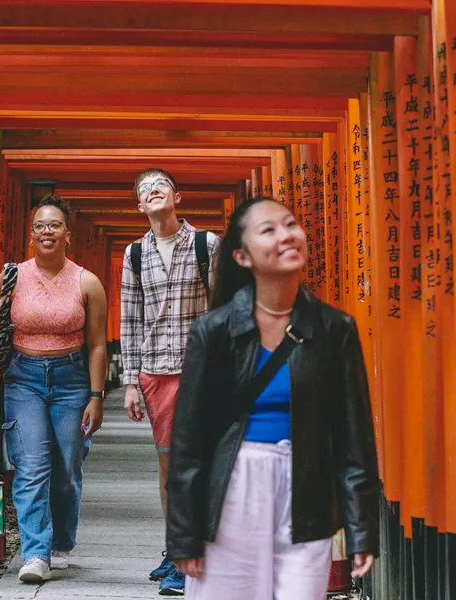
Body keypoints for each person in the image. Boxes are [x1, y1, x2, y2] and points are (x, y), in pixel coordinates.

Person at [164, 197, 382, 599]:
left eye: (291, 224)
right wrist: (184, 534)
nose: (287, 236)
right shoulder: (214, 332)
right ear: (242, 256)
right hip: (232, 487)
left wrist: (362, 528)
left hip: (308, 492)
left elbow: (354, 437)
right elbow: (189, 441)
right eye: (269, 230)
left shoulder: (335, 329)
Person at [0, 194, 108, 583]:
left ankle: (61, 541)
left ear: (67, 235)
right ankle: (35, 554)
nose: (47, 231)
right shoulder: (12, 277)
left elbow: (97, 343)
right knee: (31, 467)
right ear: (31, 235)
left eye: (54, 225)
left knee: (67, 468)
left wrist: (96, 397)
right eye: (40, 226)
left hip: (72, 380)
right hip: (23, 377)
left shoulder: (87, 282)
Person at [119, 168, 220, 595]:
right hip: (155, 371)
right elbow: (130, 320)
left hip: (201, 371)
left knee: (194, 464)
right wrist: (129, 382)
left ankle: (192, 556)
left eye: (160, 184)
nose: (153, 190)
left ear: (177, 197)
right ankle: (176, 548)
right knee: (167, 466)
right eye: (145, 188)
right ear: (139, 206)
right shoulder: (134, 254)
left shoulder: (206, 244)